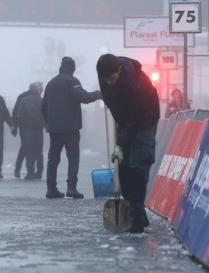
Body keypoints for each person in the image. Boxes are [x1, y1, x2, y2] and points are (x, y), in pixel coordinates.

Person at [97, 54, 160, 234]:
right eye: (106, 79)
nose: (109, 82)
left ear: (119, 70)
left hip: (145, 120)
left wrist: (124, 138)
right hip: (124, 121)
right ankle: (135, 210)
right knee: (123, 167)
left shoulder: (137, 85)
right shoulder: (104, 76)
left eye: (112, 78)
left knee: (138, 165)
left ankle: (137, 215)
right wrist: (120, 142)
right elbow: (117, 108)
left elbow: (137, 117)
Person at [42, 56, 101, 199]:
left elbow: (43, 106)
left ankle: (51, 189)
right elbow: (83, 97)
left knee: (53, 159)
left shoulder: (50, 83)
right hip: (70, 128)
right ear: (72, 69)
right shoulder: (71, 81)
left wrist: (48, 123)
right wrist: (99, 94)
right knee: (73, 158)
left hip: (54, 128)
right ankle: (71, 188)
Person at [13, 82, 45, 180]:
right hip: (39, 130)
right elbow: (47, 114)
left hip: (26, 130)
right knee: (39, 152)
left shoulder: (24, 100)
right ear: (38, 90)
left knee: (28, 152)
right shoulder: (42, 101)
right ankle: (39, 172)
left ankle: (30, 172)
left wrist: (17, 126)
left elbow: (19, 115)